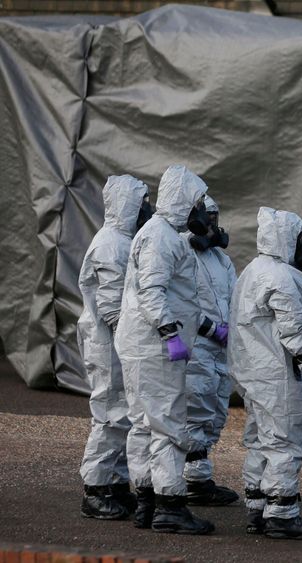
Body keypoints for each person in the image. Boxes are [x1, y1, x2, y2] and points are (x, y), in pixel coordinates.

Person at [115, 164, 214, 535]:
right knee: (168, 424)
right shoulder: (160, 237)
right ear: (184, 202)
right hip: (154, 346)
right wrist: (170, 333)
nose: (202, 213)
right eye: (199, 204)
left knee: (143, 423)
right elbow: (152, 292)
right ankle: (170, 505)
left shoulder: (159, 234)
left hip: (143, 344)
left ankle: (146, 500)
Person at [228, 206, 302, 540]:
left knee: (261, 440)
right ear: (287, 239)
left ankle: (257, 506)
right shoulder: (284, 277)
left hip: (253, 373)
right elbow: (293, 331)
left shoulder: (251, 271)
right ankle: (282, 513)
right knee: (285, 442)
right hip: (278, 375)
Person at [78, 174, 151, 520]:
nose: (148, 209)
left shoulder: (124, 241)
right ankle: (95, 490)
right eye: (143, 202)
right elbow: (110, 307)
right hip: (109, 344)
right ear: (128, 205)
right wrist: (138, 337)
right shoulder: (111, 244)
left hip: (119, 343)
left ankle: (116, 484)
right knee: (109, 413)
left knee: (124, 412)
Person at [181, 195, 239, 506]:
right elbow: (181, 303)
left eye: (215, 218)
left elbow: (235, 297)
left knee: (213, 412)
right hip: (196, 345)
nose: (213, 226)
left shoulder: (221, 260)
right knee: (193, 409)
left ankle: (198, 478)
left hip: (220, 350)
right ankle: (187, 480)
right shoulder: (180, 252)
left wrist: (233, 327)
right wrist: (211, 329)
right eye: (208, 218)